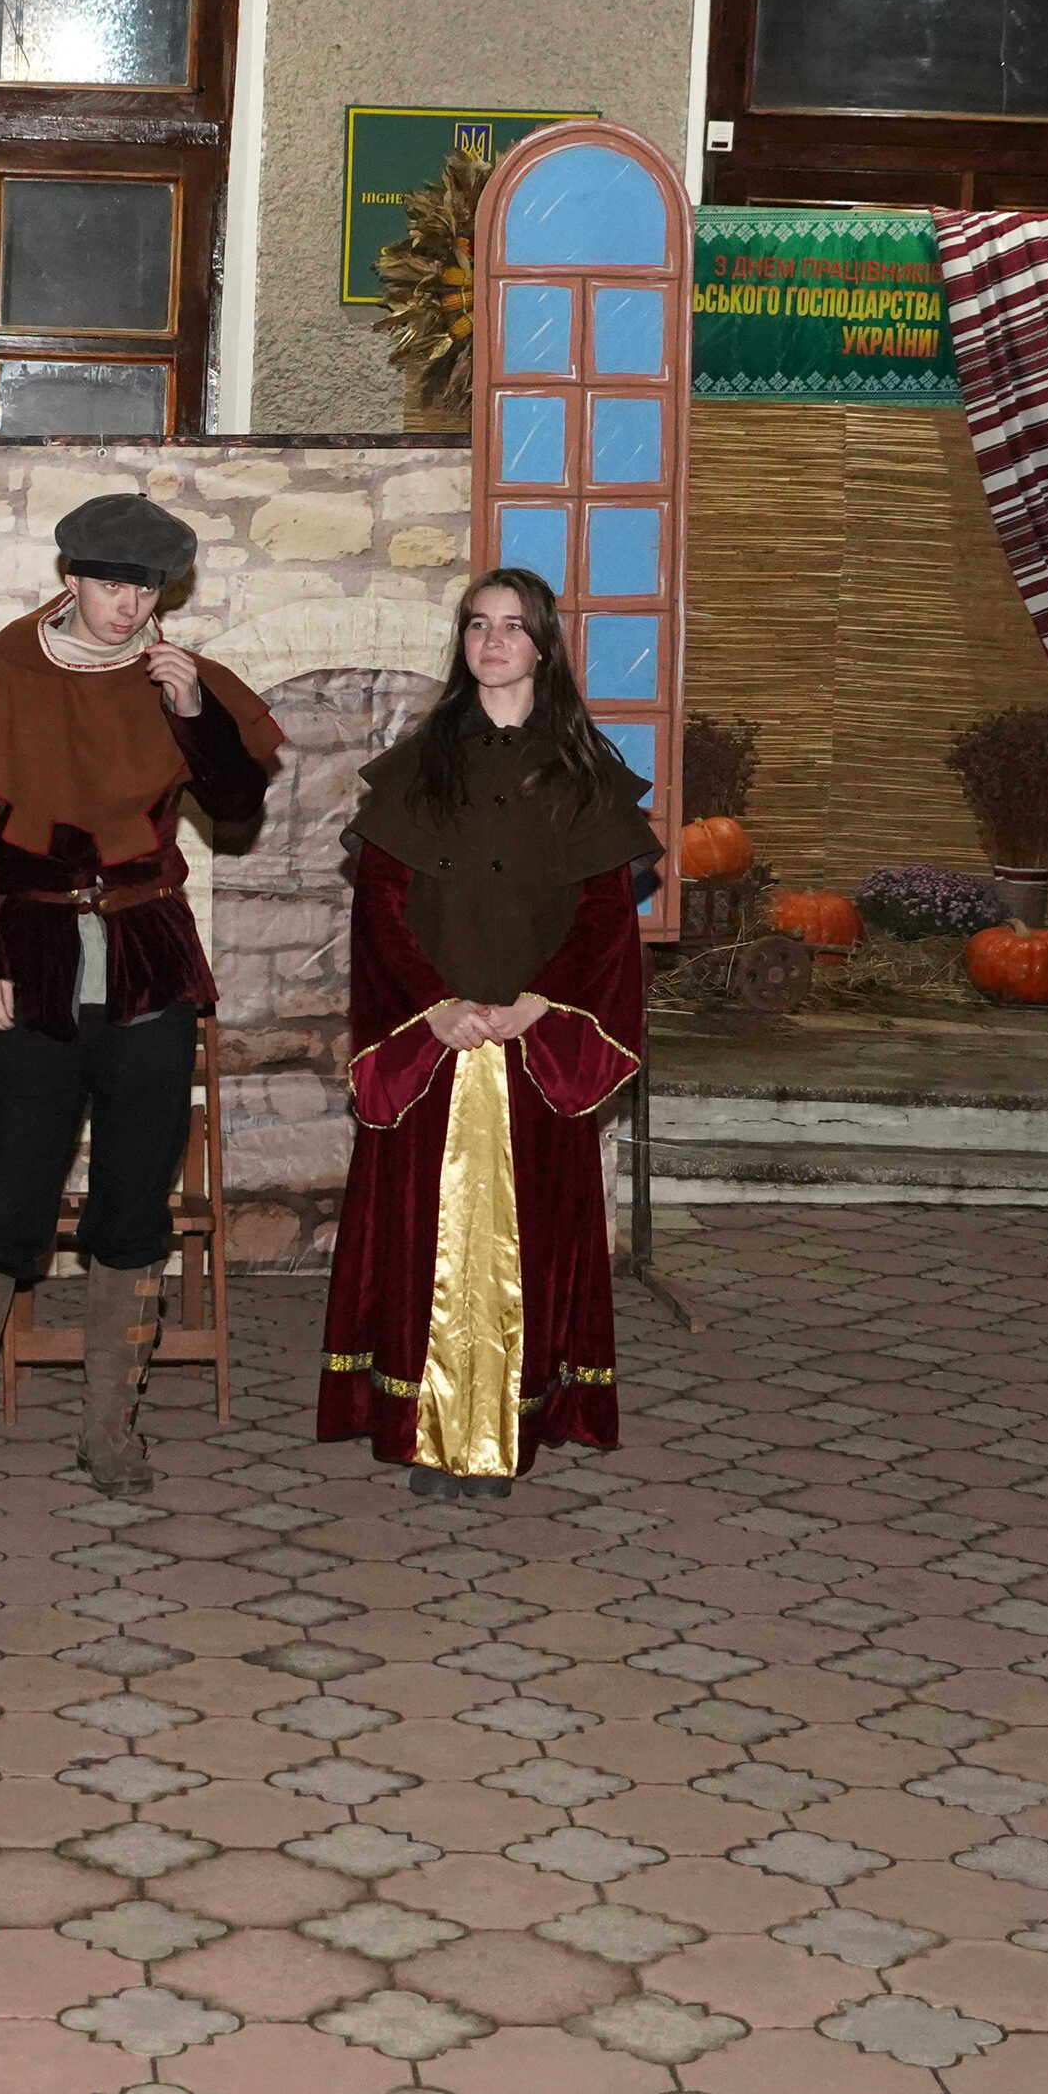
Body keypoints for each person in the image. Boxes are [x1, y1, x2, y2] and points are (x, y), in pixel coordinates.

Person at [0, 492, 283, 1500]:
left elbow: (238, 807)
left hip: (151, 965)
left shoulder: (176, 679)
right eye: (110, 584)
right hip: (31, 967)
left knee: (133, 1198)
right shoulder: (1, 675)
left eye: (145, 588)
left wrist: (195, 716)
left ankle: (110, 1431)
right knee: (6, 1196)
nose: (127, 605)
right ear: (71, 579)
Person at [318, 568, 656, 1499]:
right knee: (419, 1241)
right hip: (433, 1041)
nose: (492, 642)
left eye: (512, 626)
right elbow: (381, 910)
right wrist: (432, 1007)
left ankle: (504, 1427)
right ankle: (424, 1431)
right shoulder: (418, 768)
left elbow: (604, 917)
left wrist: (539, 1005)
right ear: (461, 642)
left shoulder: (582, 774)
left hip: (531, 1045)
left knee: (528, 1245)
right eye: (477, 625)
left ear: (542, 648)